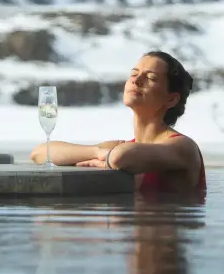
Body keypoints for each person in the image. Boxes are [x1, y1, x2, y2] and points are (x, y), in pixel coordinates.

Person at [30, 50, 206, 194]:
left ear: (171, 99)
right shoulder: (120, 147)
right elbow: (40, 153)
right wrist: (97, 151)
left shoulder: (183, 148)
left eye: (151, 78)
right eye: (133, 74)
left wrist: (107, 157)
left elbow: (120, 157)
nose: (136, 81)